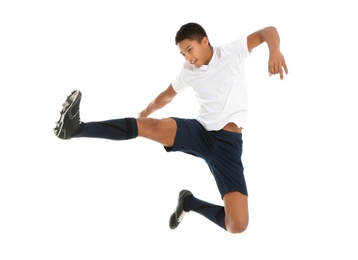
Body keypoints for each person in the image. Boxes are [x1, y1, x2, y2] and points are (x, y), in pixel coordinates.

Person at [54, 22, 288, 234]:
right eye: (182, 53)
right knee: (149, 127)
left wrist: (274, 51)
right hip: (200, 132)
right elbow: (167, 95)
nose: (188, 57)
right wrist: (146, 111)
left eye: (190, 49)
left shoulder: (232, 52)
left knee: (237, 225)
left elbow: (268, 31)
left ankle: (190, 203)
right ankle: (75, 129)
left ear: (204, 41)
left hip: (227, 145)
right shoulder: (188, 73)